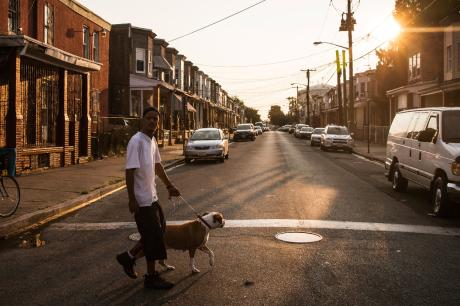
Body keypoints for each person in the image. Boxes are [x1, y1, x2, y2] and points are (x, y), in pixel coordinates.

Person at [116, 106, 180, 290]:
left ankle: (128, 257)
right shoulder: (136, 141)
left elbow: (158, 166)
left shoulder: (151, 141)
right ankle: (150, 277)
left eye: (155, 119)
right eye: (149, 118)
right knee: (153, 238)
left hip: (151, 197)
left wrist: (169, 185)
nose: (152, 121)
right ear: (142, 120)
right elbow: (129, 172)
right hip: (141, 201)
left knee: (156, 234)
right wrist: (131, 199)